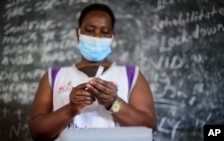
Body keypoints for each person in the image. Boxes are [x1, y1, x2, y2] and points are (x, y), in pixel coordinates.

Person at [28, 3, 156, 141]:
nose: (97, 36)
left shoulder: (131, 75)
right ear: (78, 33)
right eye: (89, 30)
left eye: (105, 31)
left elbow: (148, 127)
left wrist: (113, 103)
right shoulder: (54, 76)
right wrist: (71, 109)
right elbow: (37, 131)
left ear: (112, 36)